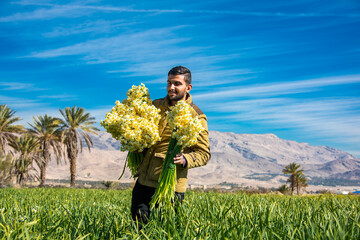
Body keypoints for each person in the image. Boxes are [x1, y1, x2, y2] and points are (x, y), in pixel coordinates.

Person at [131, 66, 211, 228]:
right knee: (138, 230)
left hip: (171, 188)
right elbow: (144, 137)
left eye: (177, 83)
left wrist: (185, 159)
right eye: (169, 83)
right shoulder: (155, 106)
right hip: (144, 183)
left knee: (165, 232)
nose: (171, 87)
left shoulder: (196, 116)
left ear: (188, 88)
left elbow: (204, 153)